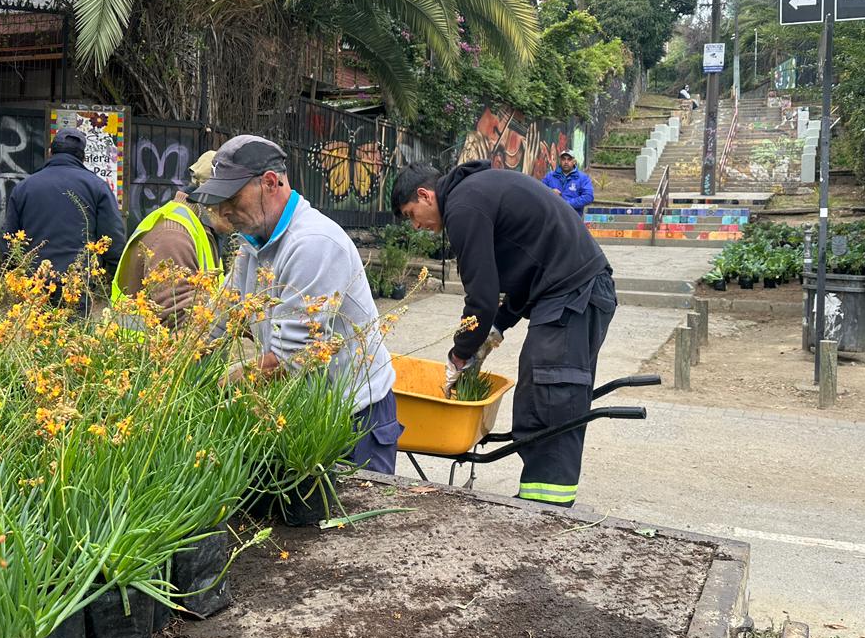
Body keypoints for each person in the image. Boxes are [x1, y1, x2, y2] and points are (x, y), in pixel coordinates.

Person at [391, 161, 617, 508]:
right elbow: (524, 269)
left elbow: (481, 297)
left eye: (411, 214)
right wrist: (496, 328)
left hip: (575, 294)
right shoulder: (476, 192)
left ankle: (548, 509)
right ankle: (537, 501)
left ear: (425, 194)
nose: (417, 225)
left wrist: (460, 353)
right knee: (536, 394)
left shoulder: (463, 205)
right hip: (566, 291)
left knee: (552, 393)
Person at [188, 135, 400, 473]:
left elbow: (291, 360)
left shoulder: (312, 244)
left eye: (231, 197)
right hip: (303, 406)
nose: (223, 210)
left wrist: (221, 385)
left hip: (354, 417)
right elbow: (222, 314)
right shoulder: (253, 243)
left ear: (270, 183)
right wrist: (179, 364)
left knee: (354, 522)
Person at [2, 126, 125, 306]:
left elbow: (9, 241)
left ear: (50, 152)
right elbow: (112, 239)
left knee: (38, 331)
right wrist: (116, 276)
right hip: (77, 282)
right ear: (82, 157)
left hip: (35, 281)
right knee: (73, 333)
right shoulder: (97, 187)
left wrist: (15, 274)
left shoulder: (24, 187)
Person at [111, 150, 223, 324]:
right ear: (212, 197)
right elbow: (178, 319)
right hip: (145, 348)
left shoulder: (204, 228)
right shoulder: (174, 235)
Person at [541, 149, 593, 218]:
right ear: (560, 161)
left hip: (573, 218)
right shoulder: (550, 176)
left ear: (574, 162)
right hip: (553, 217)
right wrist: (550, 191)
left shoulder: (583, 178)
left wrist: (567, 203)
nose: (566, 162)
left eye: (569, 159)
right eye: (563, 159)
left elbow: (588, 197)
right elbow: (540, 191)